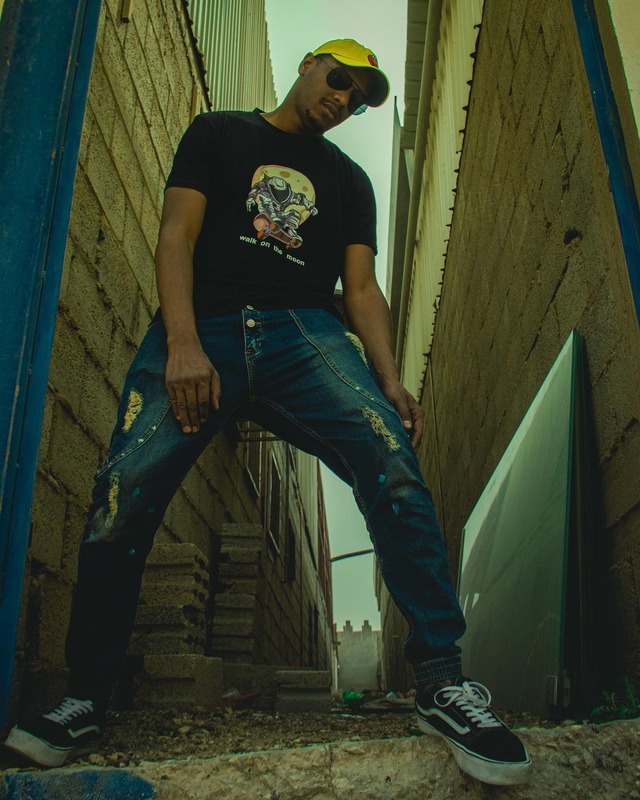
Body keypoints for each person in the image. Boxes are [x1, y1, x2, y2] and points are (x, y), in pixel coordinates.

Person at [3, 39, 531, 786]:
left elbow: (360, 289)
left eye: (358, 100)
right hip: (206, 324)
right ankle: (85, 695)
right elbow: (177, 233)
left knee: (391, 461)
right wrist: (183, 343)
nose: (343, 100)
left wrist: (390, 379)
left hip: (303, 333)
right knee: (122, 493)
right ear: (310, 63)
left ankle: (443, 682)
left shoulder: (347, 180)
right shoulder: (219, 132)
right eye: (339, 80)